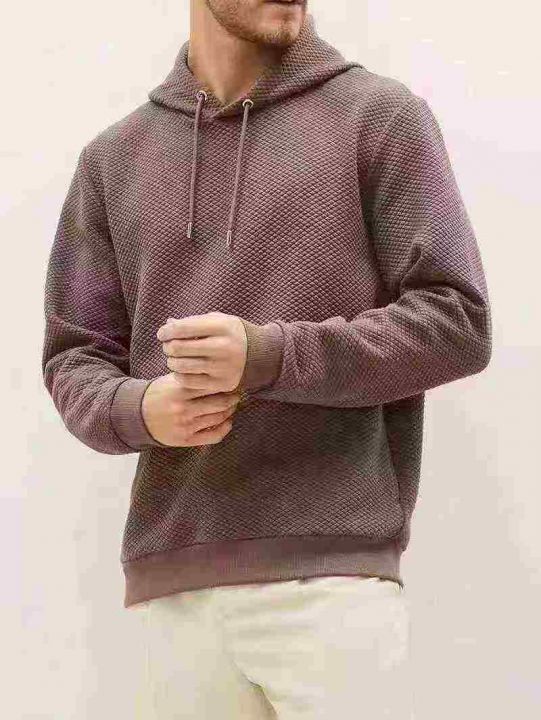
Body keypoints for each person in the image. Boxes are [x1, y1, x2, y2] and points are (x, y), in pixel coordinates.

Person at [41, 1, 492, 717]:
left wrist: (269, 355)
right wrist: (142, 409)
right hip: (171, 594)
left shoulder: (379, 117)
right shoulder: (113, 159)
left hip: (334, 587)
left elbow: (458, 321)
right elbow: (74, 356)